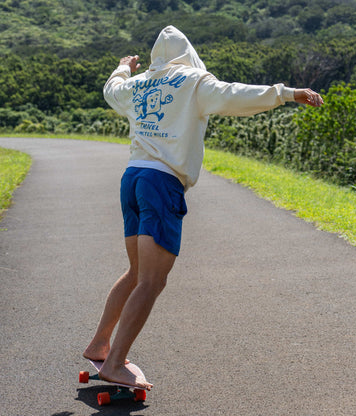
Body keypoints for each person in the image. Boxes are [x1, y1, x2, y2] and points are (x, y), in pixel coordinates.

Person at [83, 25, 323, 390]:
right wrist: (288, 94)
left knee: (135, 272)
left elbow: (110, 89)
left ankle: (100, 344)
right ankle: (114, 363)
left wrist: (122, 67)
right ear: (188, 52)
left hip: (132, 178)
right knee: (152, 280)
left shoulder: (138, 83)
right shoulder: (192, 81)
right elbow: (234, 95)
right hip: (161, 183)